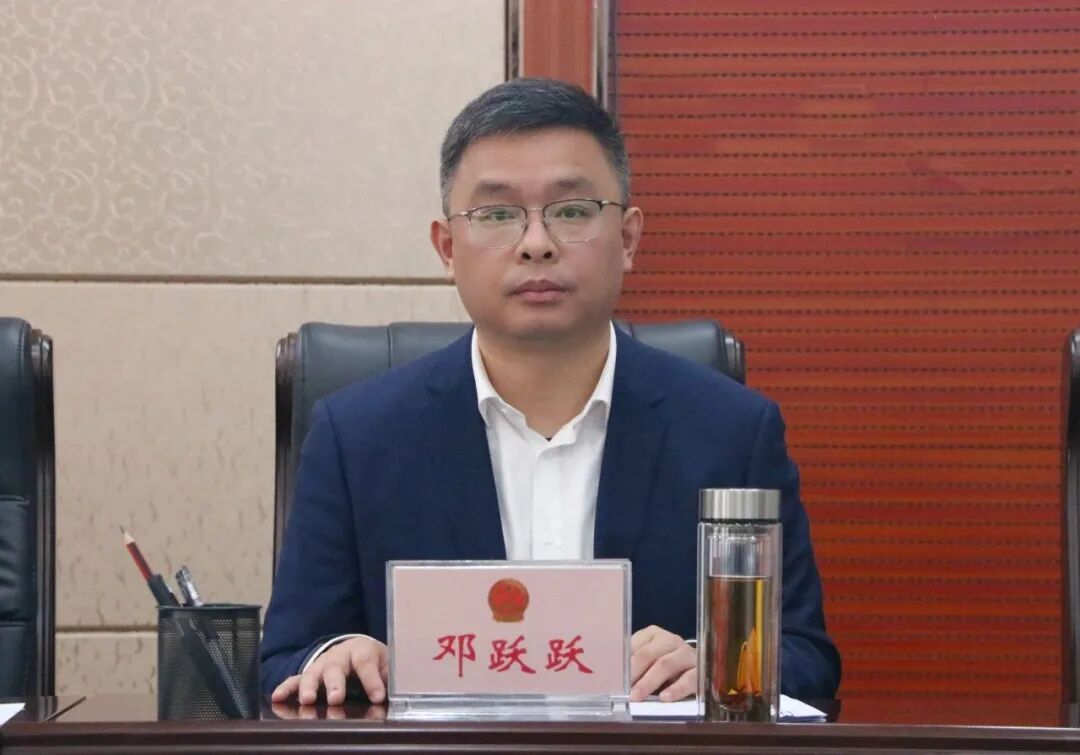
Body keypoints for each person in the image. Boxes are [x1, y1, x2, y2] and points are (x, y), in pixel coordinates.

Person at [261, 78, 841, 707]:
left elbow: (805, 658)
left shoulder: (732, 432)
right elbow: (285, 659)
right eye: (497, 215)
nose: (536, 244)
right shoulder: (357, 436)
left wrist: (713, 663)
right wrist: (337, 657)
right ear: (448, 248)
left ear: (628, 239)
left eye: (571, 211)